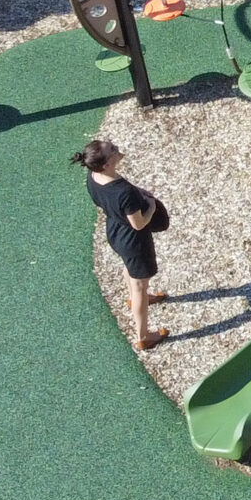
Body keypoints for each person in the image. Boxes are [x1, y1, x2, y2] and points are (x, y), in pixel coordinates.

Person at [75, 139, 168, 349]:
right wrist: (151, 206)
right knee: (139, 286)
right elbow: (139, 223)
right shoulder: (123, 192)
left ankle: (136, 297)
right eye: (113, 150)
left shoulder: (94, 177)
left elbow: (107, 201)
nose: (117, 150)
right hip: (134, 242)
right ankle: (143, 336)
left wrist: (137, 194)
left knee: (130, 270)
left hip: (115, 232)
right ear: (106, 164)